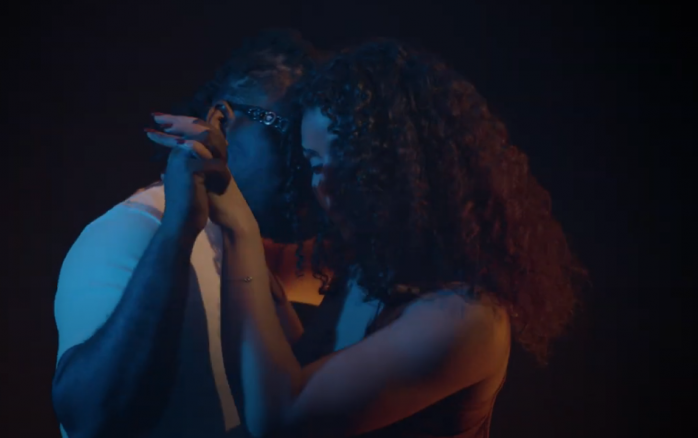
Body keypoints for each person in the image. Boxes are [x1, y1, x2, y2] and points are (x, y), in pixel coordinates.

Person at [152, 39, 588, 438]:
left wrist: (239, 226)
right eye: (313, 164)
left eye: (345, 162)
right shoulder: (367, 271)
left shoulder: (466, 317)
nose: (324, 187)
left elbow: (282, 417)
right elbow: (300, 364)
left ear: (407, 167)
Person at [50, 29, 324, 438]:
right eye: (287, 136)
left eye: (310, 149)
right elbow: (90, 418)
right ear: (222, 122)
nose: (302, 165)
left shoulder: (239, 244)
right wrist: (176, 232)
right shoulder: (134, 228)